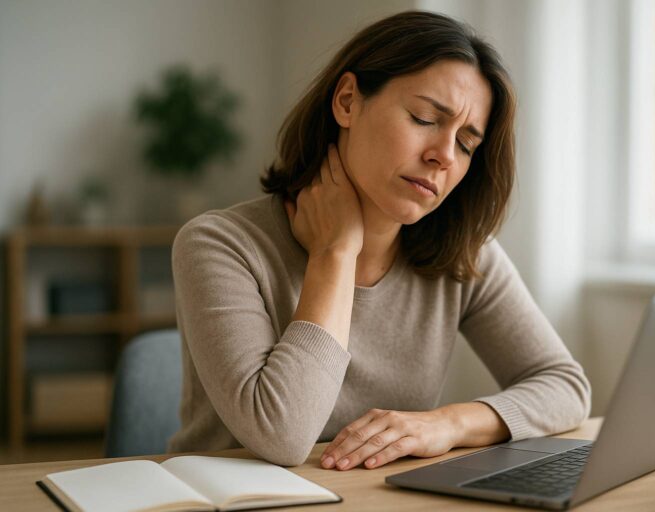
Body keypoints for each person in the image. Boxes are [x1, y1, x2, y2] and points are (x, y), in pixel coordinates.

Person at [167, 10, 590, 470]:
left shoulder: (462, 254)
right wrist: (335, 253)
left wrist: (447, 424)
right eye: (425, 118)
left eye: (467, 144)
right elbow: (281, 437)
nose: (444, 156)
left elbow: (565, 386)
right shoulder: (219, 245)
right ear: (348, 101)